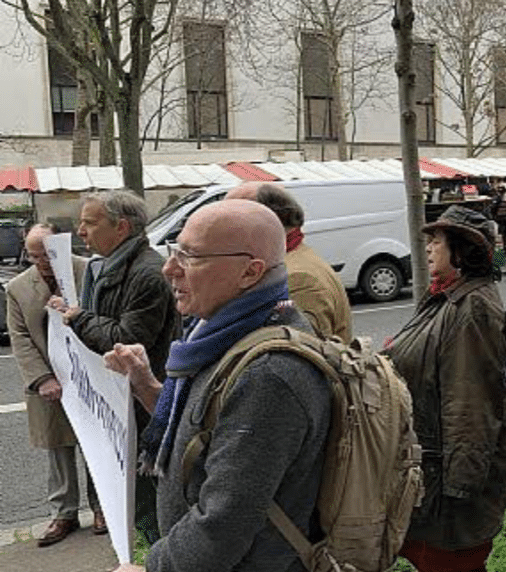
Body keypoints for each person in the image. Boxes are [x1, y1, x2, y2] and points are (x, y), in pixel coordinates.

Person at [105, 199, 331, 572]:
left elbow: (225, 522)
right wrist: (147, 386)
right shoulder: (226, 334)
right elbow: (209, 431)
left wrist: (154, 569)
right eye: (174, 250)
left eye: (190, 257)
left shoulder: (269, 374)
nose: (169, 268)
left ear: (250, 272)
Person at [381, 205, 506, 572]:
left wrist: (460, 492)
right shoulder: (446, 296)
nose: (428, 247)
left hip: (447, 492)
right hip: (434, 477)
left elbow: (470, 404)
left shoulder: (472, 307)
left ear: (462, 251)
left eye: (437, 240)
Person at [48, 189, 181, 542]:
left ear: (121, 227)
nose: (80, 231)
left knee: (148, 503)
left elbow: (125, 338)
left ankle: (161, 555)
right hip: (120, 402)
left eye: (89, 223)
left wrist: (79, 318)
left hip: (140, 407)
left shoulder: (147, 274)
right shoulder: (105, 268)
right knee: (136, 501)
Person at [8, 224, 101, 545]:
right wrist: (41, 378)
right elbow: (19, 338)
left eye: (46, 255)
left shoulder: (88, 270)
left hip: (89, 374)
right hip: (49, 378)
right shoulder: (19, 288)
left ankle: (102, 506)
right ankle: (64, 513)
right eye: (33, 256)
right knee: (58, 448)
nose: (40, 262)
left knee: (95, 444)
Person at [225, 182, 352, 343]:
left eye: (232, 221)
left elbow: (301, 358)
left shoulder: (297, 278)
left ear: (265, 223)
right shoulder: (292, 259)